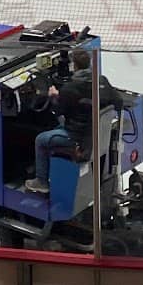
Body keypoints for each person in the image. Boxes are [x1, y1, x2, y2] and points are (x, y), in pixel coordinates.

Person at [24, 49, 119, 194]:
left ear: (74, 66)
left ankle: (41, 181)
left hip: (77, 137)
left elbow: (57, 111)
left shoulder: (71, 88)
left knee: (40, 139)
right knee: (57, 126)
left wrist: (54, 96)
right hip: (96, 131)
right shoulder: (102, 81)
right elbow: (117, 101)